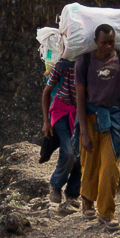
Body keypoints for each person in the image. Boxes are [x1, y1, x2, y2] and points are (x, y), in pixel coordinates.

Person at [71, 25, 120, 228]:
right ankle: (87, 199)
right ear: (96, 41)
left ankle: (106, 212)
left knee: (110, 166)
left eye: (112, 42)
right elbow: (80, 98)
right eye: (104, 42)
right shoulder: (84, 62)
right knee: (89, 162)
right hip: (89, 117)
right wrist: (83, 131)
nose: (108, 46)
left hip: (114, 118)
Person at [39, 45, 82, 211]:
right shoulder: (62, 66)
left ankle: (72, 194)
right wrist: (46, 121)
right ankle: (56, 185)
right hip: (61, 110)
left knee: (80, 153)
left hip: (80, 112)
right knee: (69, 151)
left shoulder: (90, 65)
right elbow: (47, 92)